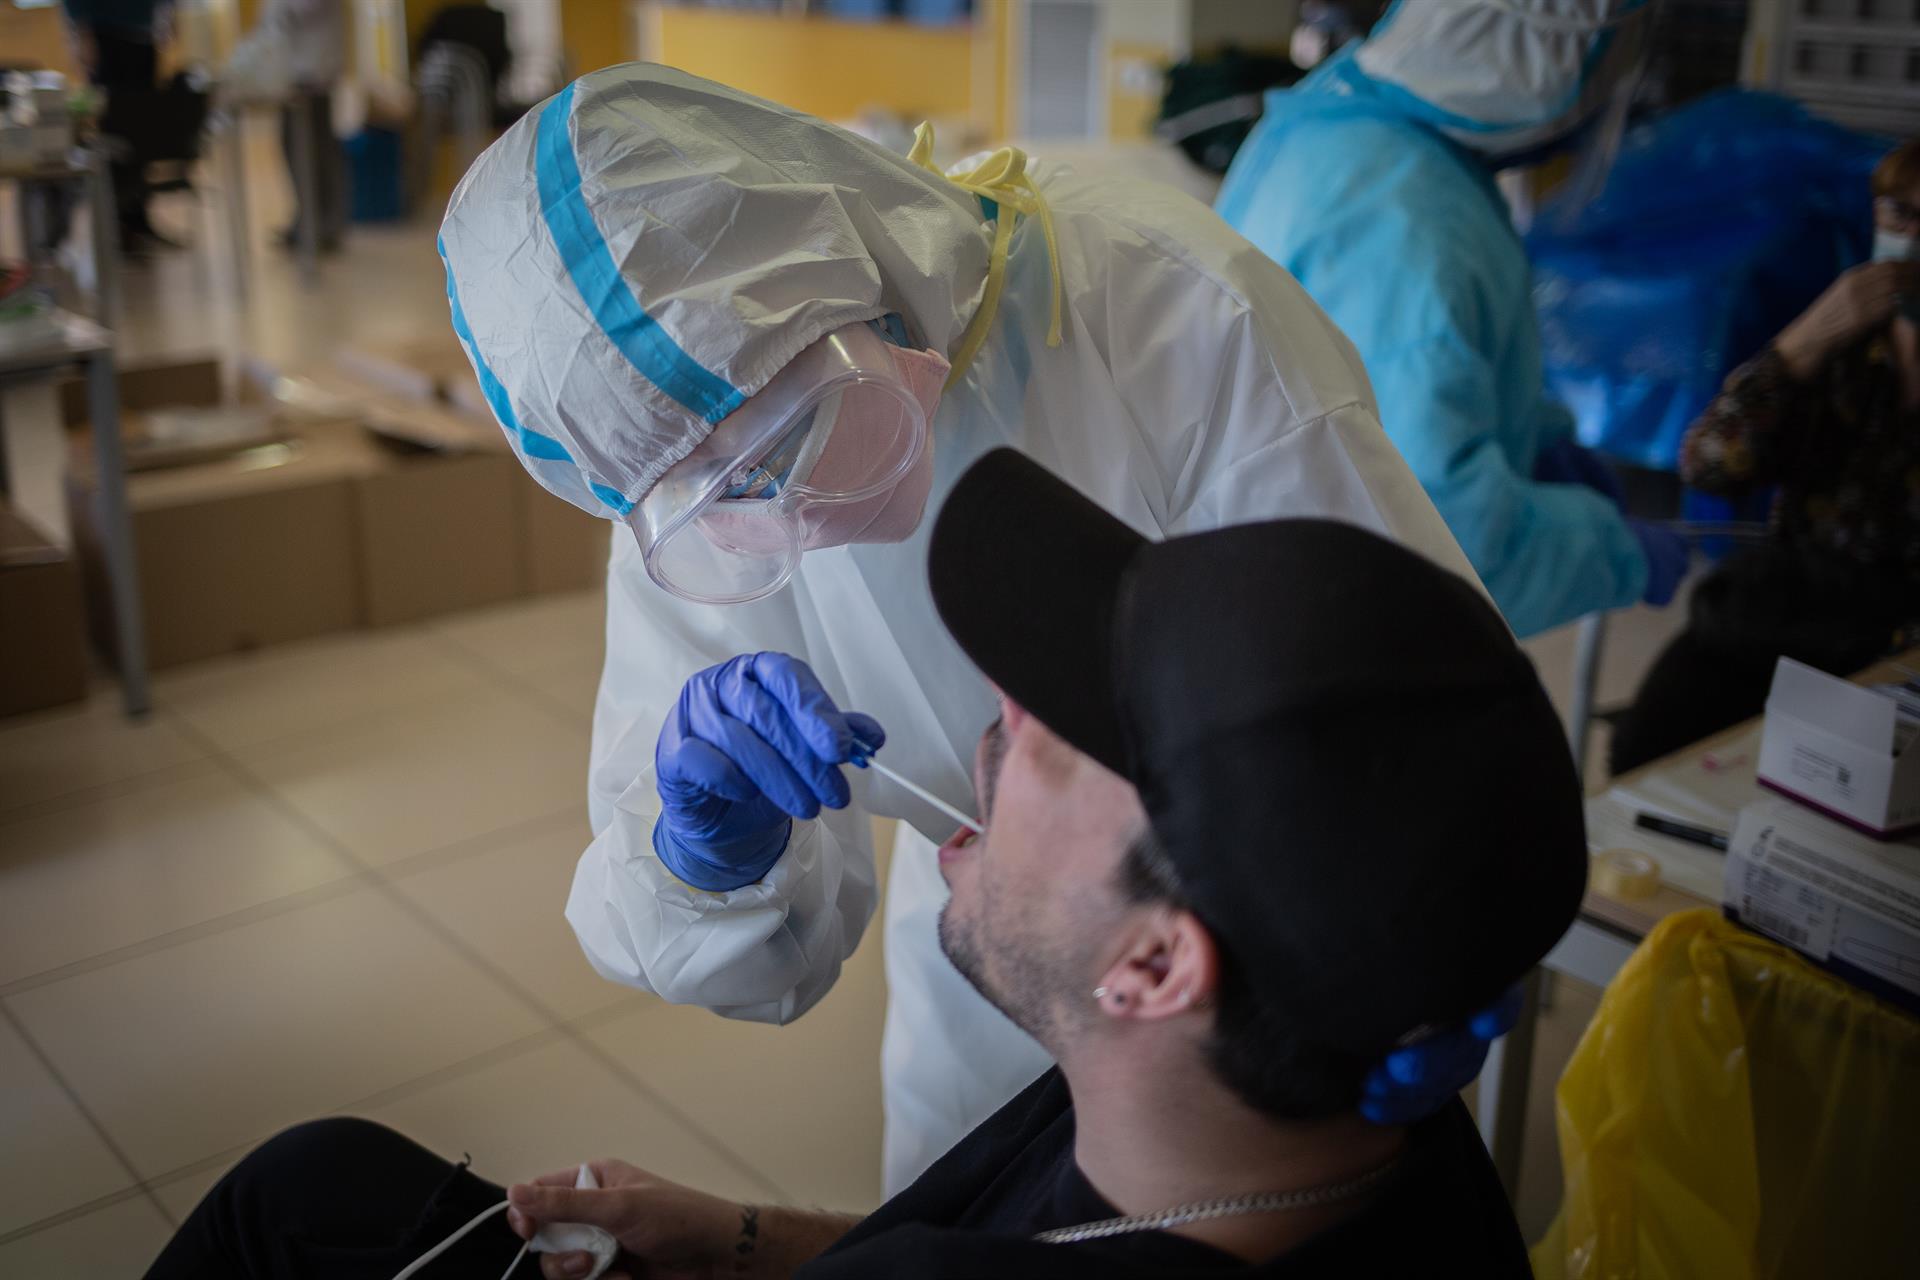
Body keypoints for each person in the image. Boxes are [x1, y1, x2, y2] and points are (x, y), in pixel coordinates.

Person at [436, 62, 1519, 1194]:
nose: (777, 502)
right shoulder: (680, 459)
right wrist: (707, 855)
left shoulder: (1170, 314)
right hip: (996, 940)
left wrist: (1423, 938)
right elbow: (755, 954)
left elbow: (1409, 690)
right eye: (717, 498)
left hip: (1262, 977)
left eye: (803, 424)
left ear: (842, 259)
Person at [144, 448, 1587, 1280]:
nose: (996, 714)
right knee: (326, 1184)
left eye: (1058, 732)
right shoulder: (1373, 1127)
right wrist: (744, 1237)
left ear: (1157, 962)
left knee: (293, 1204)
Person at [1214, 0, 1691, 639]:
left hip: (1268, 574)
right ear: (1550, 60)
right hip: (1335, 626)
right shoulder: (1413, 220)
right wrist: (1608, 551)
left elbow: (1425, 371)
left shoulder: (1342, 129)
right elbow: (1441, 535)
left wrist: (1537, 437)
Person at [1608, 140, 1920, 773]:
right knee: (1649, 743)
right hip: (1789, 610)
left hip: (1895, 643)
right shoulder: (1847, 351)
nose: (1911, 242)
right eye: (1899, 214)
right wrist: (1801, 345)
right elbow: (1710, 465)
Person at [61, 0, 173, 252]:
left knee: (143, 131)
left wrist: (167, 12)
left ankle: (139, 218)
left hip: (144, 33)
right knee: (114, 130)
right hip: (105, 33)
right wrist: (80, 32)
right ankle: (118, 226)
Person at [250, 0, 348, 253]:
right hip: (298, 71)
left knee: (315, 153)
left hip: (312, 72)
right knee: (297, 151)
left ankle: (322, 227)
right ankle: (308, 221)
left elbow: (304, 8)